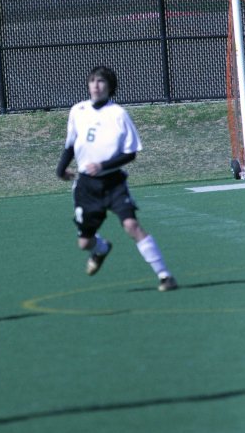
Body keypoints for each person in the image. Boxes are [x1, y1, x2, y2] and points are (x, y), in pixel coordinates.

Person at [56, 65, 177, 292]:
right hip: (86, 186)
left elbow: (130, 153)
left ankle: (165, 276)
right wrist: (61, 170)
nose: (95, 85)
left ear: (110, 87)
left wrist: (103, 165)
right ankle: (100, 248)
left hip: (113, 183)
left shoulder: (118, 114)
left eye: (101, 81)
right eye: (92, 80)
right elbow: (71, 144)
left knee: (132, 225)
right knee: (84, 243)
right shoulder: (78, 111)